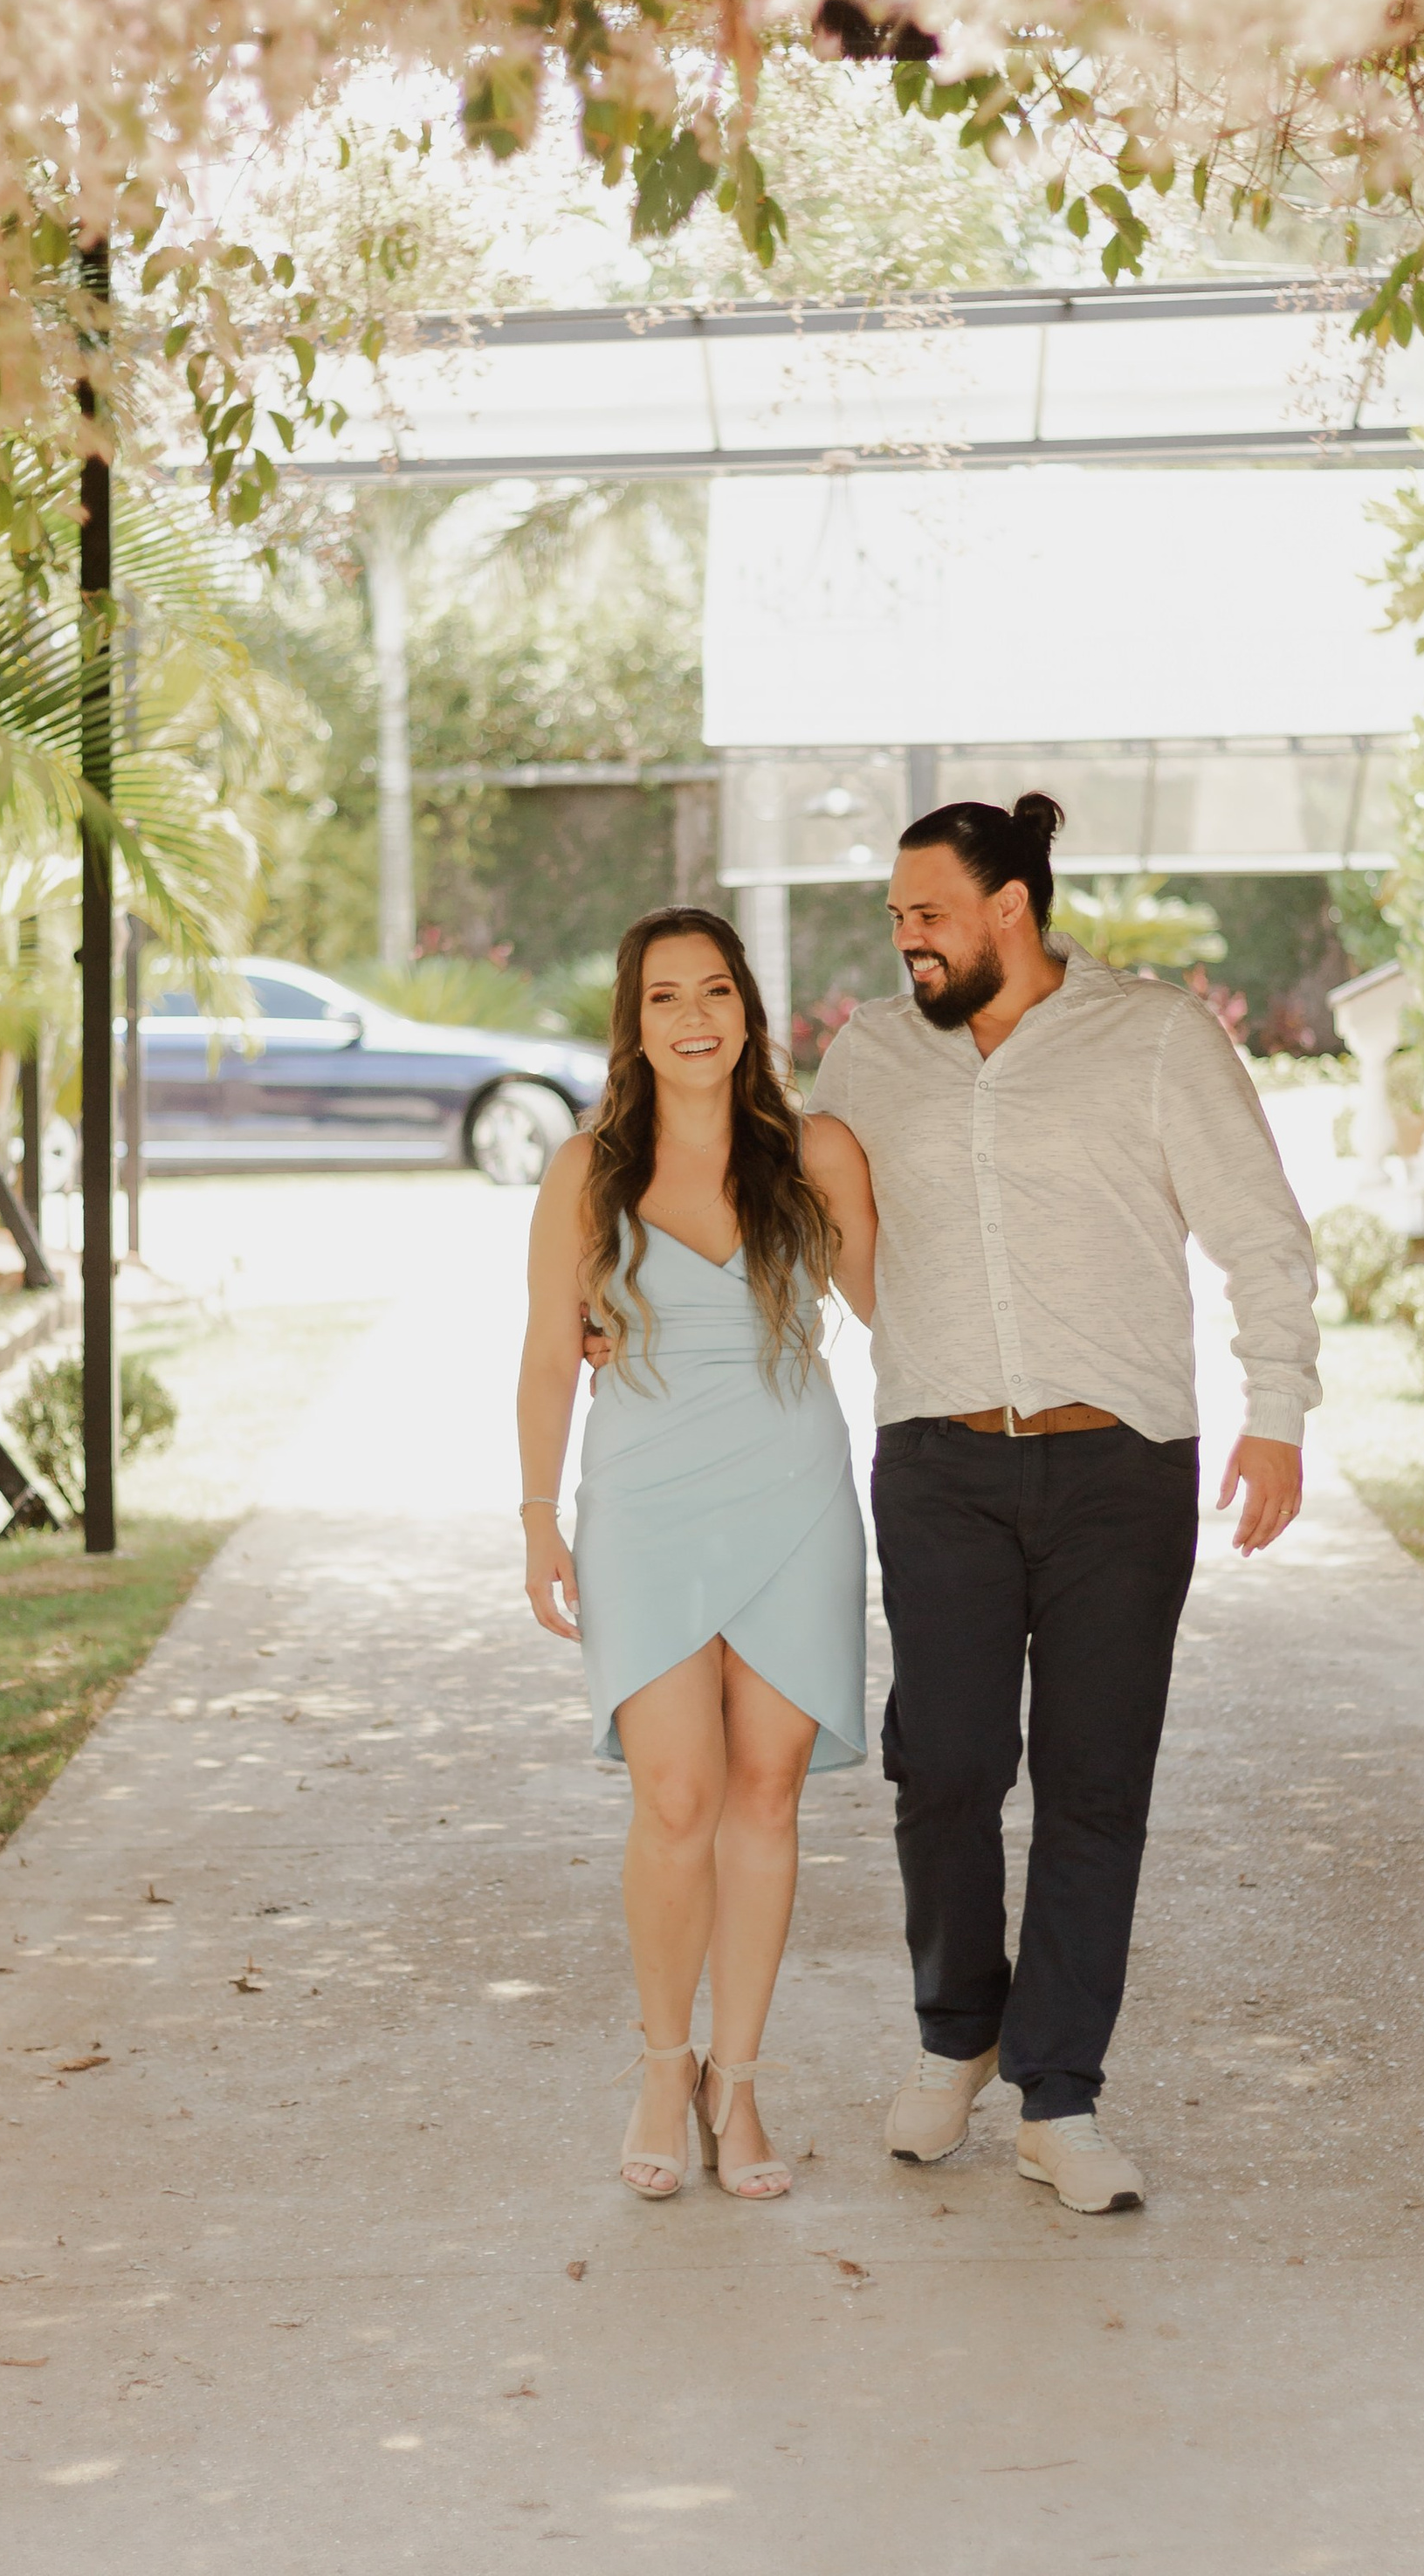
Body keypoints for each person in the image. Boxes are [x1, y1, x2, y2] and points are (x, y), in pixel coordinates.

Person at [808, 793, 1321, 2215]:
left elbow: (1263, 1236)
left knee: (1097, 1785)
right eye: (897, 915)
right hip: (939, 1462)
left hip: (1119, 1471)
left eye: (927, 913)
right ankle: (956, 2032)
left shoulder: (1156, 1039)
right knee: (949, 1764)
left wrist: (1276, 1415)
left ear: (1010, 909)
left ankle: (1060, 2094)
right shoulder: (868, 1056)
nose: (904, 938)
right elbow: (763, 1194)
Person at [517, 906, 877, 2204]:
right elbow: (551, 1354)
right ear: (635, 1020)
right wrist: (536, 1517)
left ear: (748, 1010)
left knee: (766, 1795)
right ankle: (663, 2069)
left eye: (715, 990)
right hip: (646, 1499)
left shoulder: (815, 1153)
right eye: (665, 996)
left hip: (794, 1490)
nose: (693, 1018)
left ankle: (741, 2079)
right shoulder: (586, 1171)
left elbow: (896, 1302)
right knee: (674, 1796)